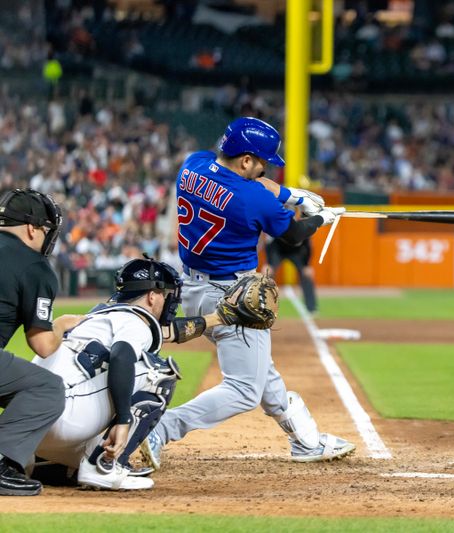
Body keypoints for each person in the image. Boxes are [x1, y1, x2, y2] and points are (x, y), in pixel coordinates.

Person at [140, 117, 353, 472]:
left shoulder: (193, 164)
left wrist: (292, 195)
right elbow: (295, 234)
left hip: (190, 286)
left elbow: (256, 188)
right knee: (243, 390)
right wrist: (321, 218)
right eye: (261, 163)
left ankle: (305, 440)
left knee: (259, 368)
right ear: (245, 160)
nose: (264, 169)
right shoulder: (252, 198)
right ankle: (159, 428)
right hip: (232, 296)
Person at [30, 257, 229, 490]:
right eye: (165, 295)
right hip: (65, 421)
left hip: (31, 429)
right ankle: (104, 467)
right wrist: (124, 420)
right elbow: (122, 355)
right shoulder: (135, 320)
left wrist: (218, 318)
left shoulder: (99, 317)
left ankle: (46, 465)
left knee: (104, 373)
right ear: (152, 296)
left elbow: (169, 332)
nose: (168, 302)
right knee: (159, 373)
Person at [0, 188, 82, 496]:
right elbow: (43, 344)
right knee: (45, 388)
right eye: (47, 229)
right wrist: (60, 324)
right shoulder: (34, 266)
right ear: (33, 228)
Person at [265, 234, 318, 314]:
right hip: (278, 251)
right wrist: (269, 263)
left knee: (306, 275)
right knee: (268, 274)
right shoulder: (278, 225)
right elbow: (269, 244)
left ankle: (312, 308)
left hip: (296, 252)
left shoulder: (301, 227)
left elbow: (308, 246)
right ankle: (265, 307)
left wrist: (306, 265)